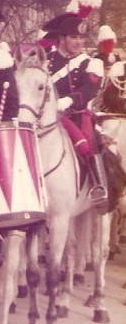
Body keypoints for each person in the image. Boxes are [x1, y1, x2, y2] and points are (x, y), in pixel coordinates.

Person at [40, 11, 107, 207]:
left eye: (81, 38)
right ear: (61, 38)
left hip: (75, 116)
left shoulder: (90, 63)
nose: (78, 42)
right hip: (46, 118)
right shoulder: (45, 60)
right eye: (73, 37)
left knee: (89, 143)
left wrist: (69, 101)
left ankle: (98, 186)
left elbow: (90, 89)